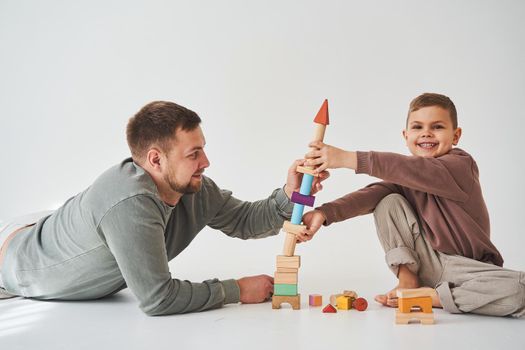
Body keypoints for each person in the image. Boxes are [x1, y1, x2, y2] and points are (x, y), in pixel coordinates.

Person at [0, 101, 328, 316]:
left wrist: (290, 192)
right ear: (156, 159)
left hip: (50, 229)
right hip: (17, 261)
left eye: (203, 150)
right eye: (193, 153)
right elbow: (158, 299)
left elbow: (244, 221)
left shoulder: (192, 187)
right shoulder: (130, 203)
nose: (206, 162)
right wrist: (236, 289)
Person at [298, 93, 525, 317]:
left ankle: (433, 297)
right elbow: (371, 194)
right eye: (417, 127)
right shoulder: (405, 180)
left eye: (437, 126)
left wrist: (348, 158)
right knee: (387, 201)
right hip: (427, 261)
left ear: (456, 136)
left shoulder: (461, 166)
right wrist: (324, 213)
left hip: (468, 270)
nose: (426, 133)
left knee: (520, 290)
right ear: (406, 136)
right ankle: (408, 280)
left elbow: (413, 169)